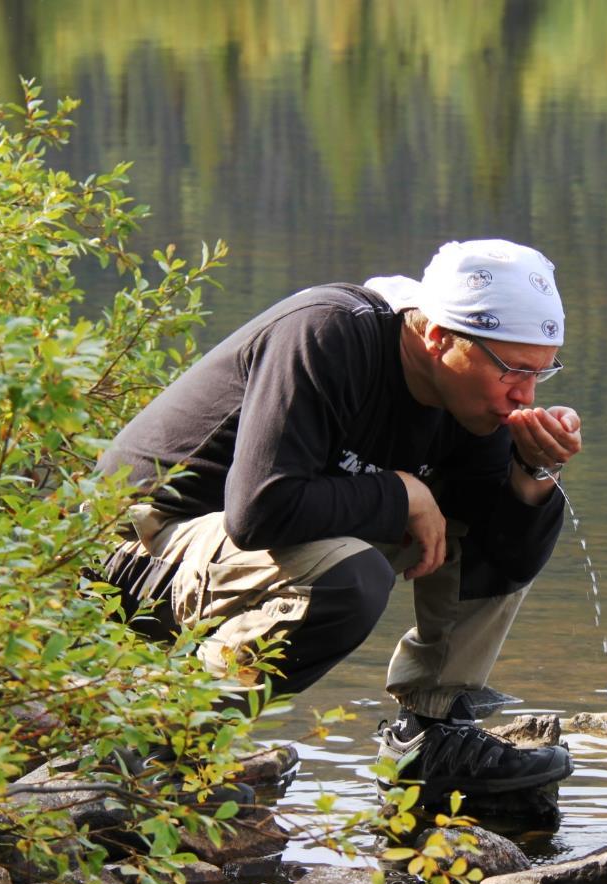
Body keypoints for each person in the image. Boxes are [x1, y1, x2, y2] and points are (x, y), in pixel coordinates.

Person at [94, 238, 581, 802]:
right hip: (134, 552)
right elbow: (259, 511)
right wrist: (401, 493)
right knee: (350, 579)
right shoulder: (329, 333)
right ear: (437, 337)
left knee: (475, 522)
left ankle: (433, 737)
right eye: (512, 371)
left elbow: (502, 560)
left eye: (540, 374)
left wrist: (533, 475)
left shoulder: (473, 404)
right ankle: (160, 746)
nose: (524, 396)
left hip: (225, 562)